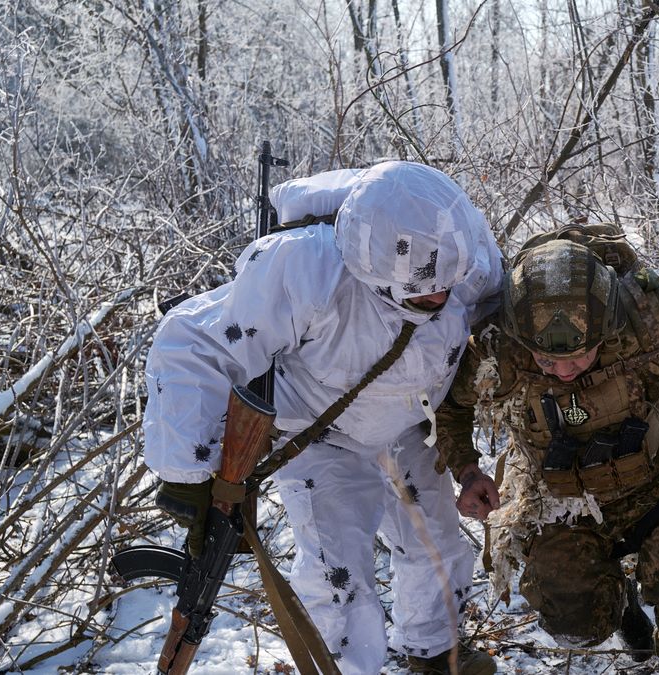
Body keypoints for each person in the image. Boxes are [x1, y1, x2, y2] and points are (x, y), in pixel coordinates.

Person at [142, 162, 503, 675]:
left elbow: (502, 319)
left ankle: (434, 655)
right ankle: (344, 668)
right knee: (340, 581)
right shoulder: (305, 269)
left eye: (447, 288)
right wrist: (188, 473)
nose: (440, 300)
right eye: (424, 295)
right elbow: (192, 342)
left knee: (437, 550)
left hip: (410, 424)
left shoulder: (464, 258)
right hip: (319, 432)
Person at [433, 228, 659, 675]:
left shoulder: (648, 312)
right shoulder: (500, 347)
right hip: (558, 501)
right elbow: (450, 403)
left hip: (654, 485)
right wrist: (468, 471)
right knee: (574, 622)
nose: (564, 372)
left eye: (579, 357)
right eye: (547, 362)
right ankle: (622, 605)